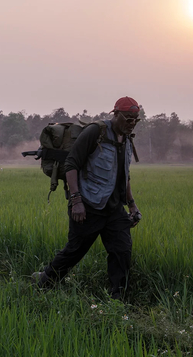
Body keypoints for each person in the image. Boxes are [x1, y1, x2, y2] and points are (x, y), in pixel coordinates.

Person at [32, 96, 143, 300]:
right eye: (128, 119)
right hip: (88, 205)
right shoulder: (96, 132)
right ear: (115, 114)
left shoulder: (127, 139)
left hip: (114, 209)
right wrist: (76, 201)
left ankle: (118, 299)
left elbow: (124, 175)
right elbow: (71, 164)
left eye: (136, 119)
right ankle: (44, 282)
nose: (132, 123)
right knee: (74, 251)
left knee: (122, 252)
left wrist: (132, 205)